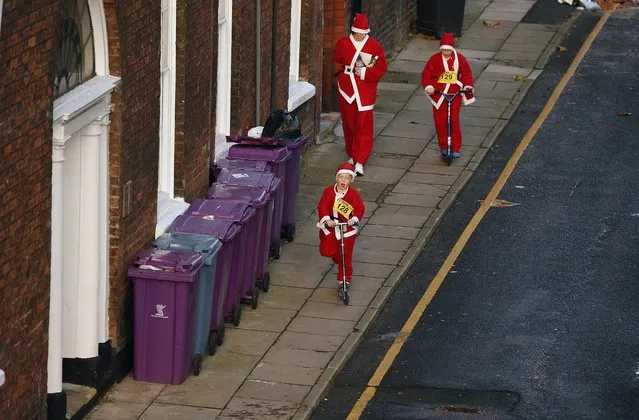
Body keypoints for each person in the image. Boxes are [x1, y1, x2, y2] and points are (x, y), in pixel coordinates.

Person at [333, 13, 388, 176]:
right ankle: (352, 154)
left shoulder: (374, 46)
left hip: (365, 89)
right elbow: (337, 60)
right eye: (359, 32)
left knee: (363, 126)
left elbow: (380, 67)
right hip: (347, 89)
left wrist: (364, 72)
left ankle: (360, 160)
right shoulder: (343, 43)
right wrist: (341, 77)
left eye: (364, 32)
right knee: (349, 124)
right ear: (354, 31)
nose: (362, 35)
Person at [422, 33, 475, 158]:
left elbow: (466, 73)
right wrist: (429, 86)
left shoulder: (460, 59)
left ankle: (455, 147)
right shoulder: (434, 59)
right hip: (438, 93)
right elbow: (426, 74)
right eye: (444, 50)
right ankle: (444, 146)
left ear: (452, 49)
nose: (445, 52)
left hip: (454, 92)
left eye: (448, 50)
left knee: (453, 120)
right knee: (440, 121)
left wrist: (467, 86)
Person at [317, 163, 365, 291]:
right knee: (328, 250)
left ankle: (345, 280)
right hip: (332, 226)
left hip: (346, 228)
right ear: (337, 178)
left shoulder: (353, 194)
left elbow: (360, 208)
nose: (343, 180)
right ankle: (338, 259)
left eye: (347, 178)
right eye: (341, 177)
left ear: (351, 180)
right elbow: (322, 206)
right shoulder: (328, 192)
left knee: (346, 255)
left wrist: (354, 219)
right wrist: (327, 219)